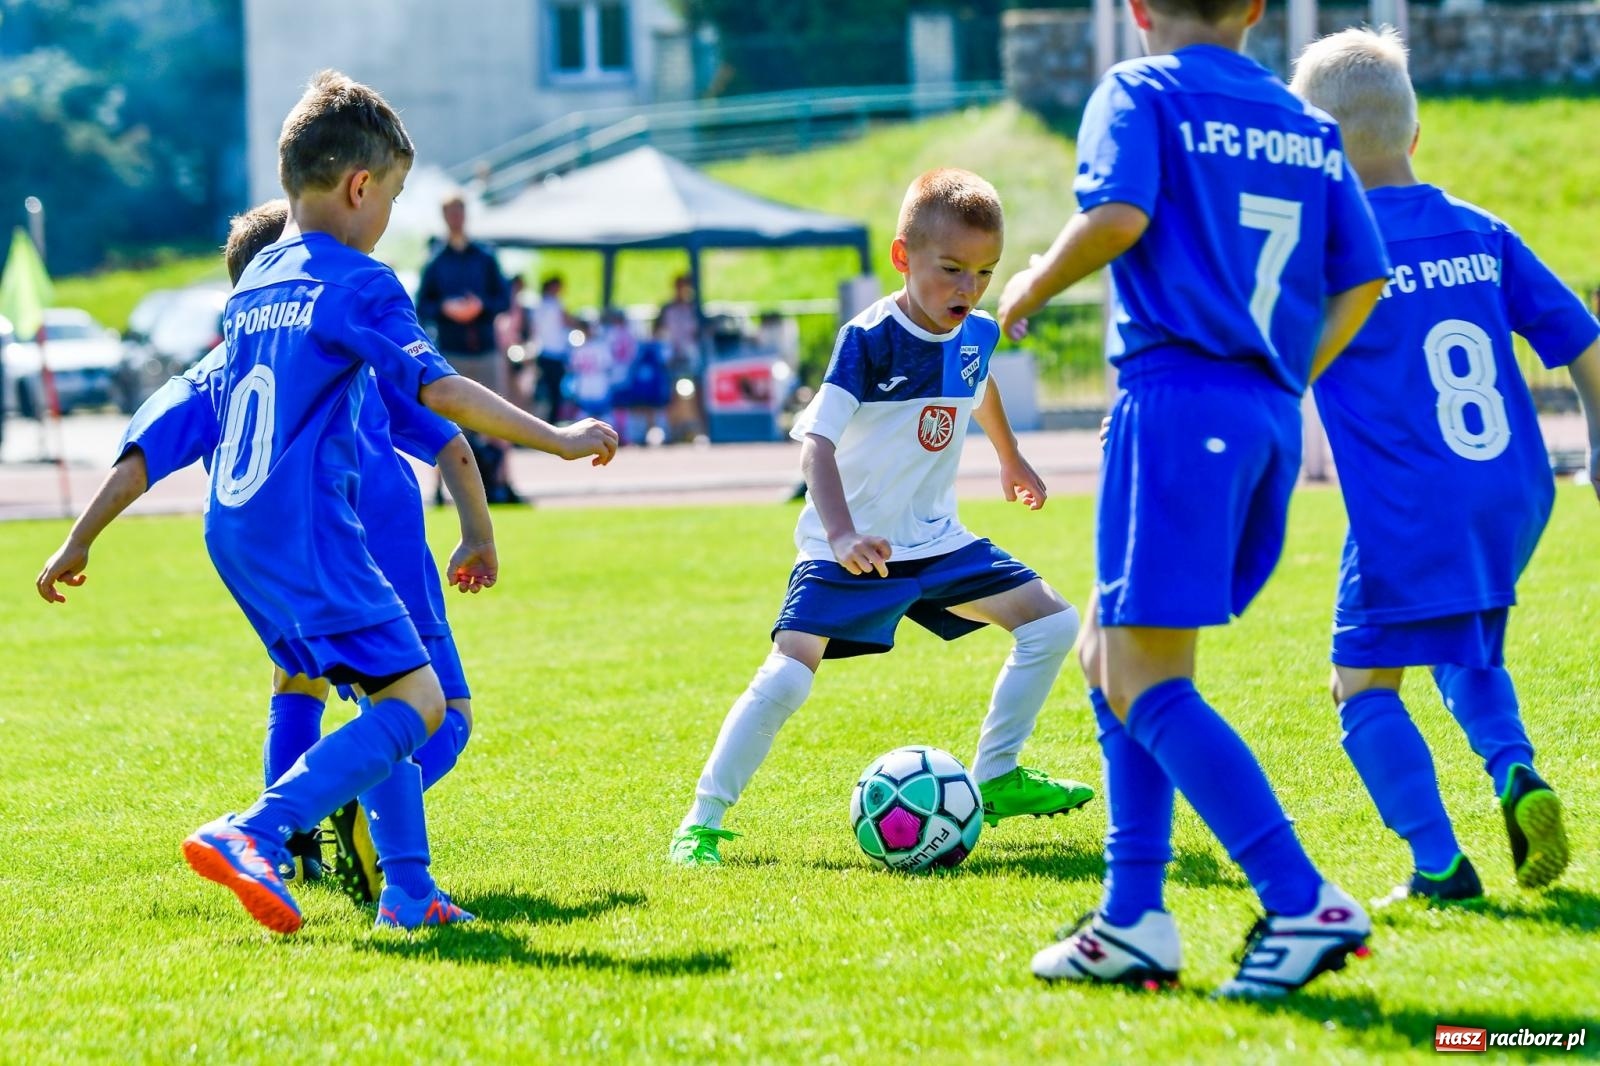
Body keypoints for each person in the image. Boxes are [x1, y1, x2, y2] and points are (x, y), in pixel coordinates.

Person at [158, 70, 615, 936]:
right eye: (396, 196)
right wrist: (552, 439)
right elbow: (443, 405)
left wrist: (81, 538)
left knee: (357, 689)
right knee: (424, 705)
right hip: (338, 534)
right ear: (360, 187)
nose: (393, 217)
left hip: (250, 537)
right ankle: (266, 827)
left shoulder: (250, 305)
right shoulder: (354, 285)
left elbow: (174, 433)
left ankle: (400, 887)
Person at [998, 0, 1391, 997]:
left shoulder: (1139, 89)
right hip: (1258, 408)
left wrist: (1031, 286)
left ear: (1135, 8)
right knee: (1104, 651)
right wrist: (1281, 373)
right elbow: (1364, 276)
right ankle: (1132, 918)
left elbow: (1119, 214)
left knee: (1146, 677)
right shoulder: (1305, 124)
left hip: (1180, 399)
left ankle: (1300, 898)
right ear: (1257, 8)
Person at [34, 198, 498, 914]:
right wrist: (491, 516)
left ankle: (352, 870)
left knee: (298, 688)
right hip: (360, 539)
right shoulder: (348, 344)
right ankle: (299, 829)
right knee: (435, 707)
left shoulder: (219, 366)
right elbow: (450, 435)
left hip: (275, 553)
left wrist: (80, 537)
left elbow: (138, 458)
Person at [669, 168, 1095, 868]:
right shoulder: (867, 340)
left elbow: (977, 384)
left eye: (984, 273)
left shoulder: (974, 333)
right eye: (951, 269)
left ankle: (996, 773)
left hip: (935, 540)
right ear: (903, 258)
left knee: (1050, 623)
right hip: (850, 546)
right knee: (786, 677)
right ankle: (704, 822)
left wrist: (1010, 459)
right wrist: (839, 535)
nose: (968, 289)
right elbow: (816, 445)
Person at [1290, 28, 1600, 902]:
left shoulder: (1333, 257)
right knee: (1459, 640)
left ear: (1317, 151)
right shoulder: (1483, 230)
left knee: (1360, 685)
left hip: (1408, 502)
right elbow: (1585, 347)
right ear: (1414, 135)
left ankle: (1438, 868)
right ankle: (1514, 773)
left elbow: (1277, 368)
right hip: (1512, 490)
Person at [416, 193, 521, 503]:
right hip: (453, 349)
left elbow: (503, 299)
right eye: (451, 213)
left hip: (484, 347)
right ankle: (438, 488)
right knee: (446, 419)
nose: (456, 218)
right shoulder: (435, 260)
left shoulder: (484, 256)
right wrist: (447, 308)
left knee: (500, 416)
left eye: (460, 211)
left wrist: (479, 307)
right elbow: (422, 305)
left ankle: (504, 481)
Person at [532, 274, 576, 423]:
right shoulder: (555, 304)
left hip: (542, 353)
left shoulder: (538, 305)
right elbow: (568, 321)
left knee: (544, 392)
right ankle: (551, 423)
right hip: (555, 354)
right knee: (554, 393)